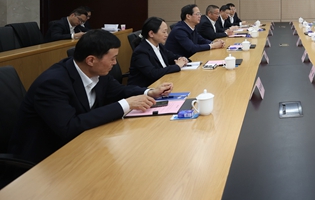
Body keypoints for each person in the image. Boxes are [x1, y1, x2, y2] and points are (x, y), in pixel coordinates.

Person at [8, 29, 173, 163]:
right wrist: (126, 104)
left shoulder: (97, 73)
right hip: (47, 158)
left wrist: (149, 92)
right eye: (113, 58)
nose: (115, 63)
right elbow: (69, 127)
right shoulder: (52, 84)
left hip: (84, 144)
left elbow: (119, 91)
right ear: (91, 60)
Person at [128, 17, 188, 87]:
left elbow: (172, 57)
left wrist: (182, 58)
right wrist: (177, 66)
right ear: (151, 33)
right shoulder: (141, 52)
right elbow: (153, 73)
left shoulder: (159, 46)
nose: (166, 35)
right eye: (164, 32)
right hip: (147, 88)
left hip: (162, 82)